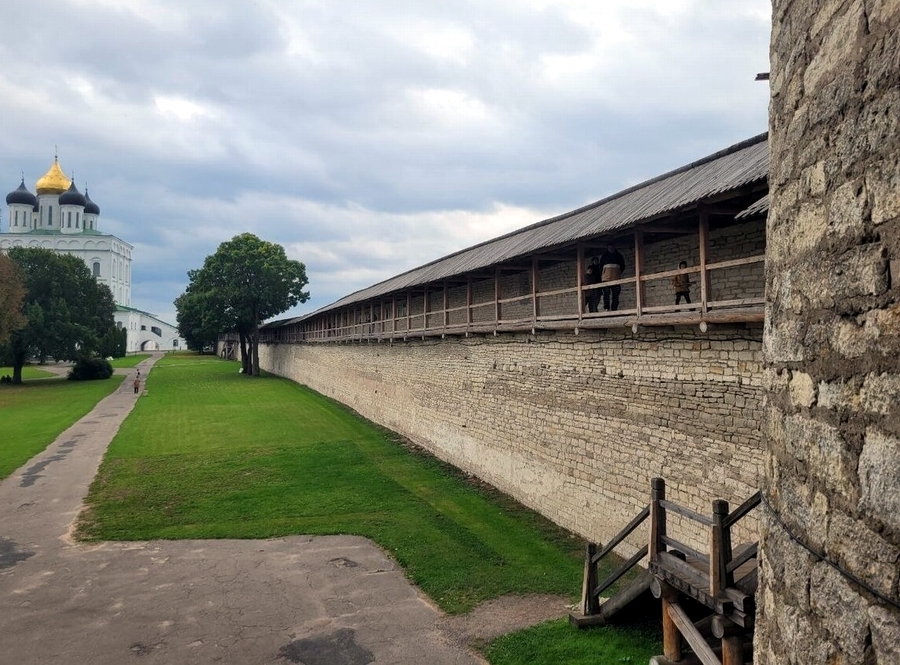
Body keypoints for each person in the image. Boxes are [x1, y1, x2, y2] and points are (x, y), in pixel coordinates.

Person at [598, 243, 626, 311]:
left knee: (615, 293)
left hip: (616, 277)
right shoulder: (604, 256)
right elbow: (600, 267)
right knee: (606, 293)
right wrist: (604, 274)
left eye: (612, 247)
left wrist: (618, 273)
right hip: (606, 278)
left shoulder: (619, 256)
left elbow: (622, 266)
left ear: (614, 247)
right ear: (607, 248)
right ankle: (607, 308)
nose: (611, 248)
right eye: (609, 247)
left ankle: (614, 308)